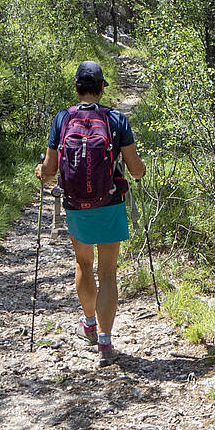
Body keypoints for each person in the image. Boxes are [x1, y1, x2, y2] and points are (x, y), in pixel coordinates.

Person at [36, 61, 145, 363]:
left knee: (84, 263)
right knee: (108, 271)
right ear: (100, 88)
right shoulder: (117, 120)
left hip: (76, 205)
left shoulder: (62, 119)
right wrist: (140, 169)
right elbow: (135, 170)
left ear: (76, 88)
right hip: (109, 204)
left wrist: (40, 172)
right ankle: (106, 343)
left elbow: (48, 171)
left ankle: (89, 325)